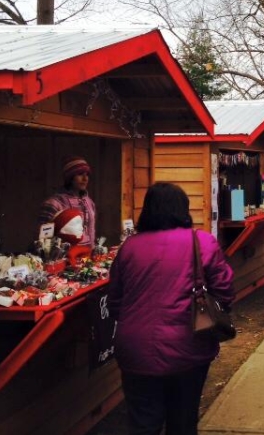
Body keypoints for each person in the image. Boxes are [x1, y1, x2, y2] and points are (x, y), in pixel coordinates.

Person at [108, 182, 234, 435]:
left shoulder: (129, 248)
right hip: (188, 346)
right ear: (183, 209)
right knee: (183, 421)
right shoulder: (202, 242)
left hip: (135, 348)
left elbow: (115, 301)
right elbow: (225, 290)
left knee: (143, 423)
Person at [39, 155, 97, 248]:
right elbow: (42, 239)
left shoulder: (90, 202)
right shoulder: (53, 204)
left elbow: (91, 231)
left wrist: (93, 251)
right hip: (65, 258)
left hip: (87, 257)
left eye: (87, 174)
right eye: (80, 174)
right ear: (70, 177)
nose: (85, 178)